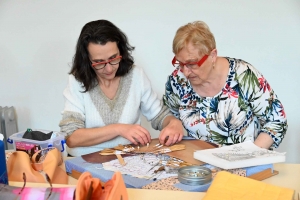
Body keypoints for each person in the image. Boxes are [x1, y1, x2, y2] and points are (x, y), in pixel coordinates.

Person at [59, 19, 183, 156]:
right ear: (87, 60)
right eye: (99, 62)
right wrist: (118, 129)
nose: (108, 68)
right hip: (85, 162)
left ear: (121, 51)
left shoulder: (136, 75)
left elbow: (160, 116)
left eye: (113, 59)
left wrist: (173, 123)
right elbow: (71, 137)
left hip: (128, 159)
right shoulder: (77, 81)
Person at [163, 21, 287, 149]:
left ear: (212, 55)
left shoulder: (243, 76)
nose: (186, 72)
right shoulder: (177, 80)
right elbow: (167, 114)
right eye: (180, 63)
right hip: (197, 165)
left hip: (246, 163)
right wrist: (173, 122)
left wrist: (252, 155)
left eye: (192, 64)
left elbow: (277, 121)